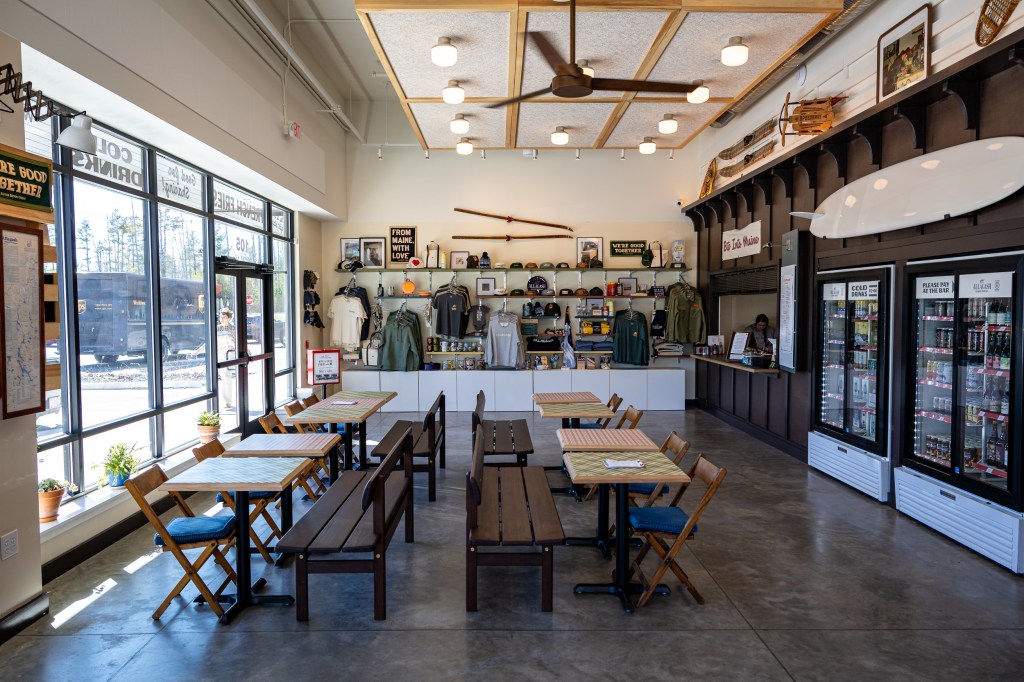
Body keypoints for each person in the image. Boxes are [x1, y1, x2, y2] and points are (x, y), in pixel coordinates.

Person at [217, 308, 237, 411]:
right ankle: (226, 401)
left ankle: (228, 401)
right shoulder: (217, 328)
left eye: (224, 317)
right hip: (220, 355)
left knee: (227, 377)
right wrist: (197, 352)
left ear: (229, 318)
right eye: (220, 317)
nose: (221, 319)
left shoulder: (233, 329)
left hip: (230, 355)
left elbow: (238, 342)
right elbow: (211, 342)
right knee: (225, 378)